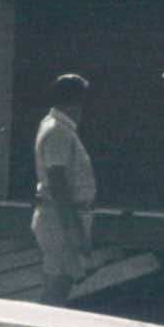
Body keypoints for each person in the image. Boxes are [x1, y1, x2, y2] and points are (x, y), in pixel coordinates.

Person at [32, 73, 97, 306]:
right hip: (59, 220)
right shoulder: (58, 131)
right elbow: (58, 183)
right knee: (57, 288)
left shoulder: (56, 126)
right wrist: (75, 231)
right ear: (77, 101)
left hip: (58, 217)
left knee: (58, 284)